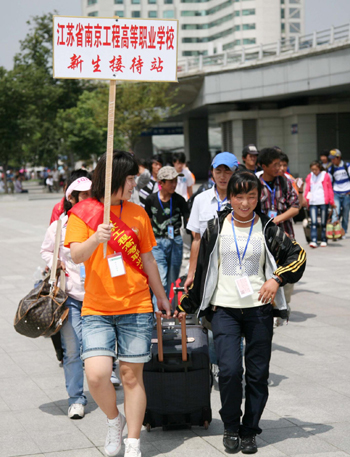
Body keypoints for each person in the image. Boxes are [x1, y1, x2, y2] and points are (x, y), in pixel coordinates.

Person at [175, 171, 306, 454]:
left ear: (259, 197)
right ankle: (231, 426)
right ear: (230, 197)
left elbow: (298, 256)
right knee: (231, 371)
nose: (245, 203)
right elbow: (203, 271)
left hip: (259, 312)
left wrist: (276, 279)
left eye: (251, 196)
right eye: (239, 196)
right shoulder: (215, 227)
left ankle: (250, 430)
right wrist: (187, 302)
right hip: (224, 311)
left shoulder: (269, 228)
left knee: (257, 375)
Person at [64, 150, 172, 457]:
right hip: (97, 307)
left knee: (129, 376)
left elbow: (148, 258)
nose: (134, 184)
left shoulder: (138, 213)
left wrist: (161, 296)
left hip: (136, 306)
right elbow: (76, 255)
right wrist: (96, 237)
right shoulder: (83, 212)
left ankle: (133, 441)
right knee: (96, 374)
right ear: (112, 178)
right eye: (130, 178)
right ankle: (115, 420)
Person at [41, 176, 93, 419]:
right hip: (69, 295)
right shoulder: (58, 226)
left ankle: (103, 386)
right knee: (72, 349)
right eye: (82, 195)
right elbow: (45, 250)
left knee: (96, 348)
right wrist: (56, 263)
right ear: (71, 199)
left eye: (91, 194)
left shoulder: (98, 223)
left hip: (97, 295)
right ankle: (76, 398)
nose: (88, 198)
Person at [184, 152, 238, 292]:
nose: (222, 176)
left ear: (235, 173)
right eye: (218, 171)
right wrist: (191, 273)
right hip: (206, 266)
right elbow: (196, 239)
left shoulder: (242, 202)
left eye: (227, 171)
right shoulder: (201, 200)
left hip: (235, 267)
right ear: (212, 173)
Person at [144, 166, 189, 304]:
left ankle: (171, 311)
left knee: (173, 279)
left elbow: (188, 220)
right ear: (161, 183)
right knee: (160, 278)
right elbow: (147, 222)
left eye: (175, 181)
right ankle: (159, 315)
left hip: (175, 241)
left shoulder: (180, 200)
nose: (174, 184)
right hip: (156, 242)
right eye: (170, 181)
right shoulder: (151, 200)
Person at [258, 148, 299, 239]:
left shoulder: (285, 183)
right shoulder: (255, 185)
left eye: (279, 164)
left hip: (286, 235)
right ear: (264, 166)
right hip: (263, 236)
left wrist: (277, 219)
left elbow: (295, 208)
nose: (278, 168)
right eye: (275, 165)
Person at [304, 161, 335, 248]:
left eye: (316, 169)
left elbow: (329, 189)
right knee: (313, 222)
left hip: (323, 201)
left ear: (319, 168)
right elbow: (307, 189)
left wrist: (331, 201)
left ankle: (324, 239)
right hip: (313, 202)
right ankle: (314, 240)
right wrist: (306, 200)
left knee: (323, 222)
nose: (314, 171)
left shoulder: (325, 176)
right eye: (312, 169)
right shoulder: (310, 176)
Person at [328, 149, 350, 238]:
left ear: (339, 158)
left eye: (334, 159)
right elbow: (329, 182)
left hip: (347, 194)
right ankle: (335, 232)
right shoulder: (331, 168)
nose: (332, 160)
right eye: (331, 159)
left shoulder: (347, 166)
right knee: (335, 213)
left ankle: (343, 231)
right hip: (336, 193)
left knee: (345, 213)